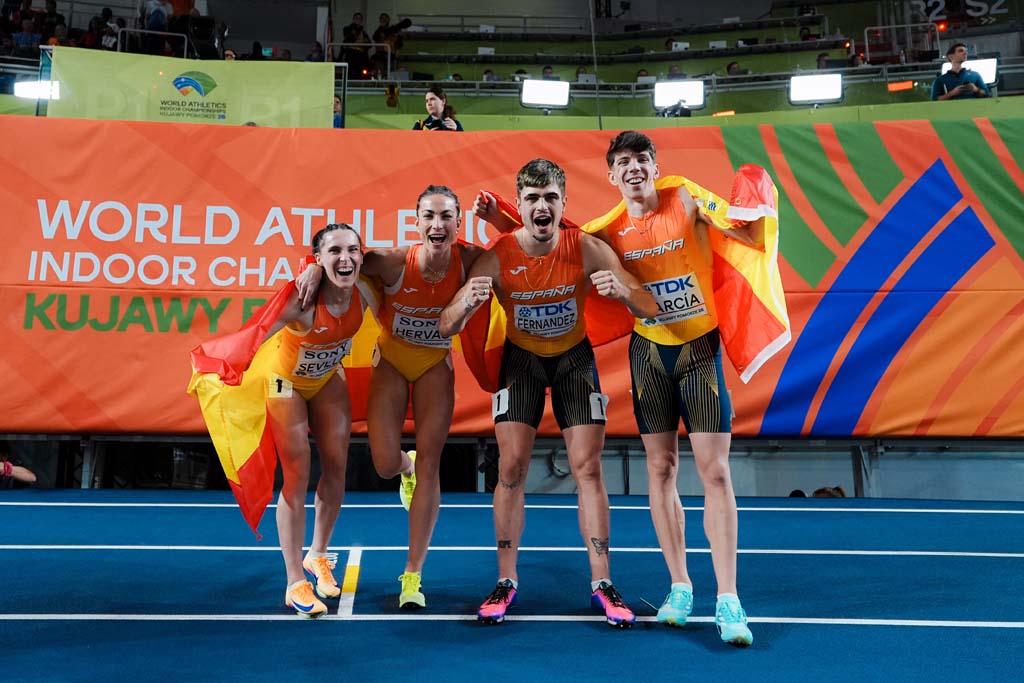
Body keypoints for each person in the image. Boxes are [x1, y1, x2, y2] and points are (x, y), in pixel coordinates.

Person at [441, 159, 658, 628]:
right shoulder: (497, 254)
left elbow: (648, 303)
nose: (542, 206)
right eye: (533, 199)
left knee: (588, 468)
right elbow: (447, 323)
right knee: (512, 468)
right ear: (519, 207)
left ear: (563, 204)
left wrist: (621, 289)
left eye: (551, 198)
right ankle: (505, 580)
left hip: (573, 361)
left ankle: (603, 581)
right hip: (521, 363)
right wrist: (466, 302)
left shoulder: (586, 248)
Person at [589, 131, 760, 646]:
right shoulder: (606, 231)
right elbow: (550, 241)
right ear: (612, 175)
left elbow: (743, 228)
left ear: (655, 165)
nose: (635, 167)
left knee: (716, 471)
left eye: (642, 159)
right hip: (648, 355)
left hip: (698, 351)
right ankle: (680, 585)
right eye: (624, 162)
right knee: (661, 468)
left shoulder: (683, 194)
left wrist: (759, 205)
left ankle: (728, 597)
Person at [296, 186, 495, 611]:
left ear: (459, 222)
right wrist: (312, 268)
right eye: (429, 216)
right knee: (386, 463)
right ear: (417, 220)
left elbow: (517, 253)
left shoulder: (473, 260)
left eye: (446, 217)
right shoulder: (390, 262)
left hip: (435, 367)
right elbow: (338, 260)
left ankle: (413, 574)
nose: (437, 225)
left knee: (431, 463)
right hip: (390, 361)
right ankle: (403, 468)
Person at [260, 223, 366, 617]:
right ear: (317, 259)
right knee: (297, 472)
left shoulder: (365, 288)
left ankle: (317, 554)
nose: (346, 258)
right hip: (284, 382)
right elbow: (256, 335)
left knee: (338, 466)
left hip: (325, 379)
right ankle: (293, 582)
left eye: (353, 250)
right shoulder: (300, 300)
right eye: (334, 251)